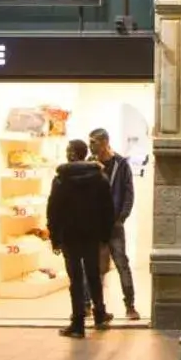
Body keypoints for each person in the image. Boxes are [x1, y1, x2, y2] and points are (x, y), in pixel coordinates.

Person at [47, 138, 115, 337]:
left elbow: (54, 210)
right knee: (94, 275)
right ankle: (100, 315)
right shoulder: (99, 178)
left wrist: (55, 237)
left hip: (70, 235)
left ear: (73, 154)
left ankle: (78, 323)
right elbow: (107, 209)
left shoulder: (61, 179)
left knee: (75, 279)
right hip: (92, 234)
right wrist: (105, 234)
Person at [89, 126, 140, 321]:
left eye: (94, 142)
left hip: (114, 224)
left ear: (104, 142)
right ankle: (95, 307)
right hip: (95, 224)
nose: (90, 146)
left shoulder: (120, 164)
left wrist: (122, 217)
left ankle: (130, 305)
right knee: (96, 267)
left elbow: (129, 192)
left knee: (121, 263)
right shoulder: (90, 164)